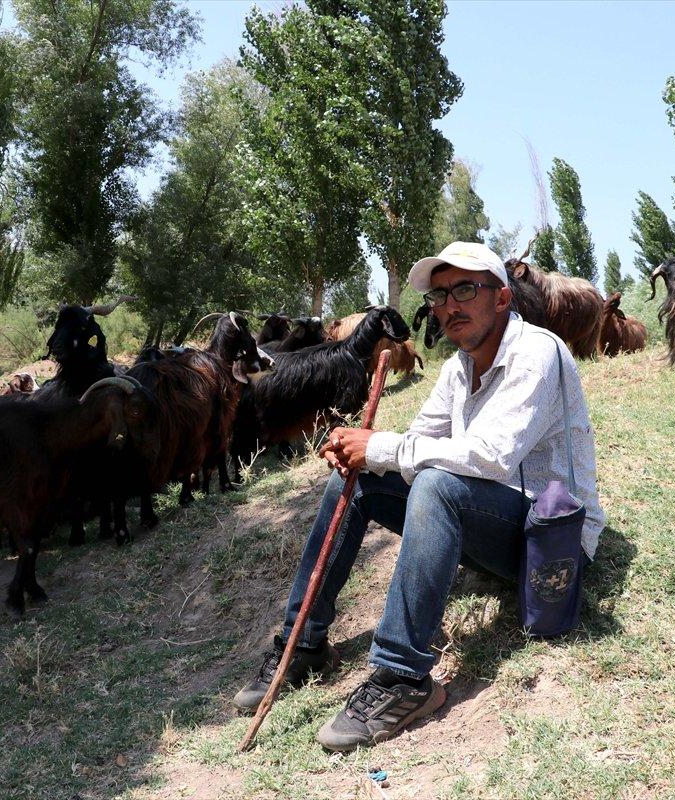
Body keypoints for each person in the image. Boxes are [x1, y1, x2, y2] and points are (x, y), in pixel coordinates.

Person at [231, 241, 606, 752]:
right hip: (487, 519)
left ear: (501, 299)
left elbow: (491, 456)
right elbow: (422, 439)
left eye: (465, 290)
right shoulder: (457, 368)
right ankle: (303, 642)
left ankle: (402, 677)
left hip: (549, 542)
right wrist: (360, 452)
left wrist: (381, 445)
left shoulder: (539, 352)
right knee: (363, 480)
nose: (449, 306)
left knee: (436, 482)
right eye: (439, 296)